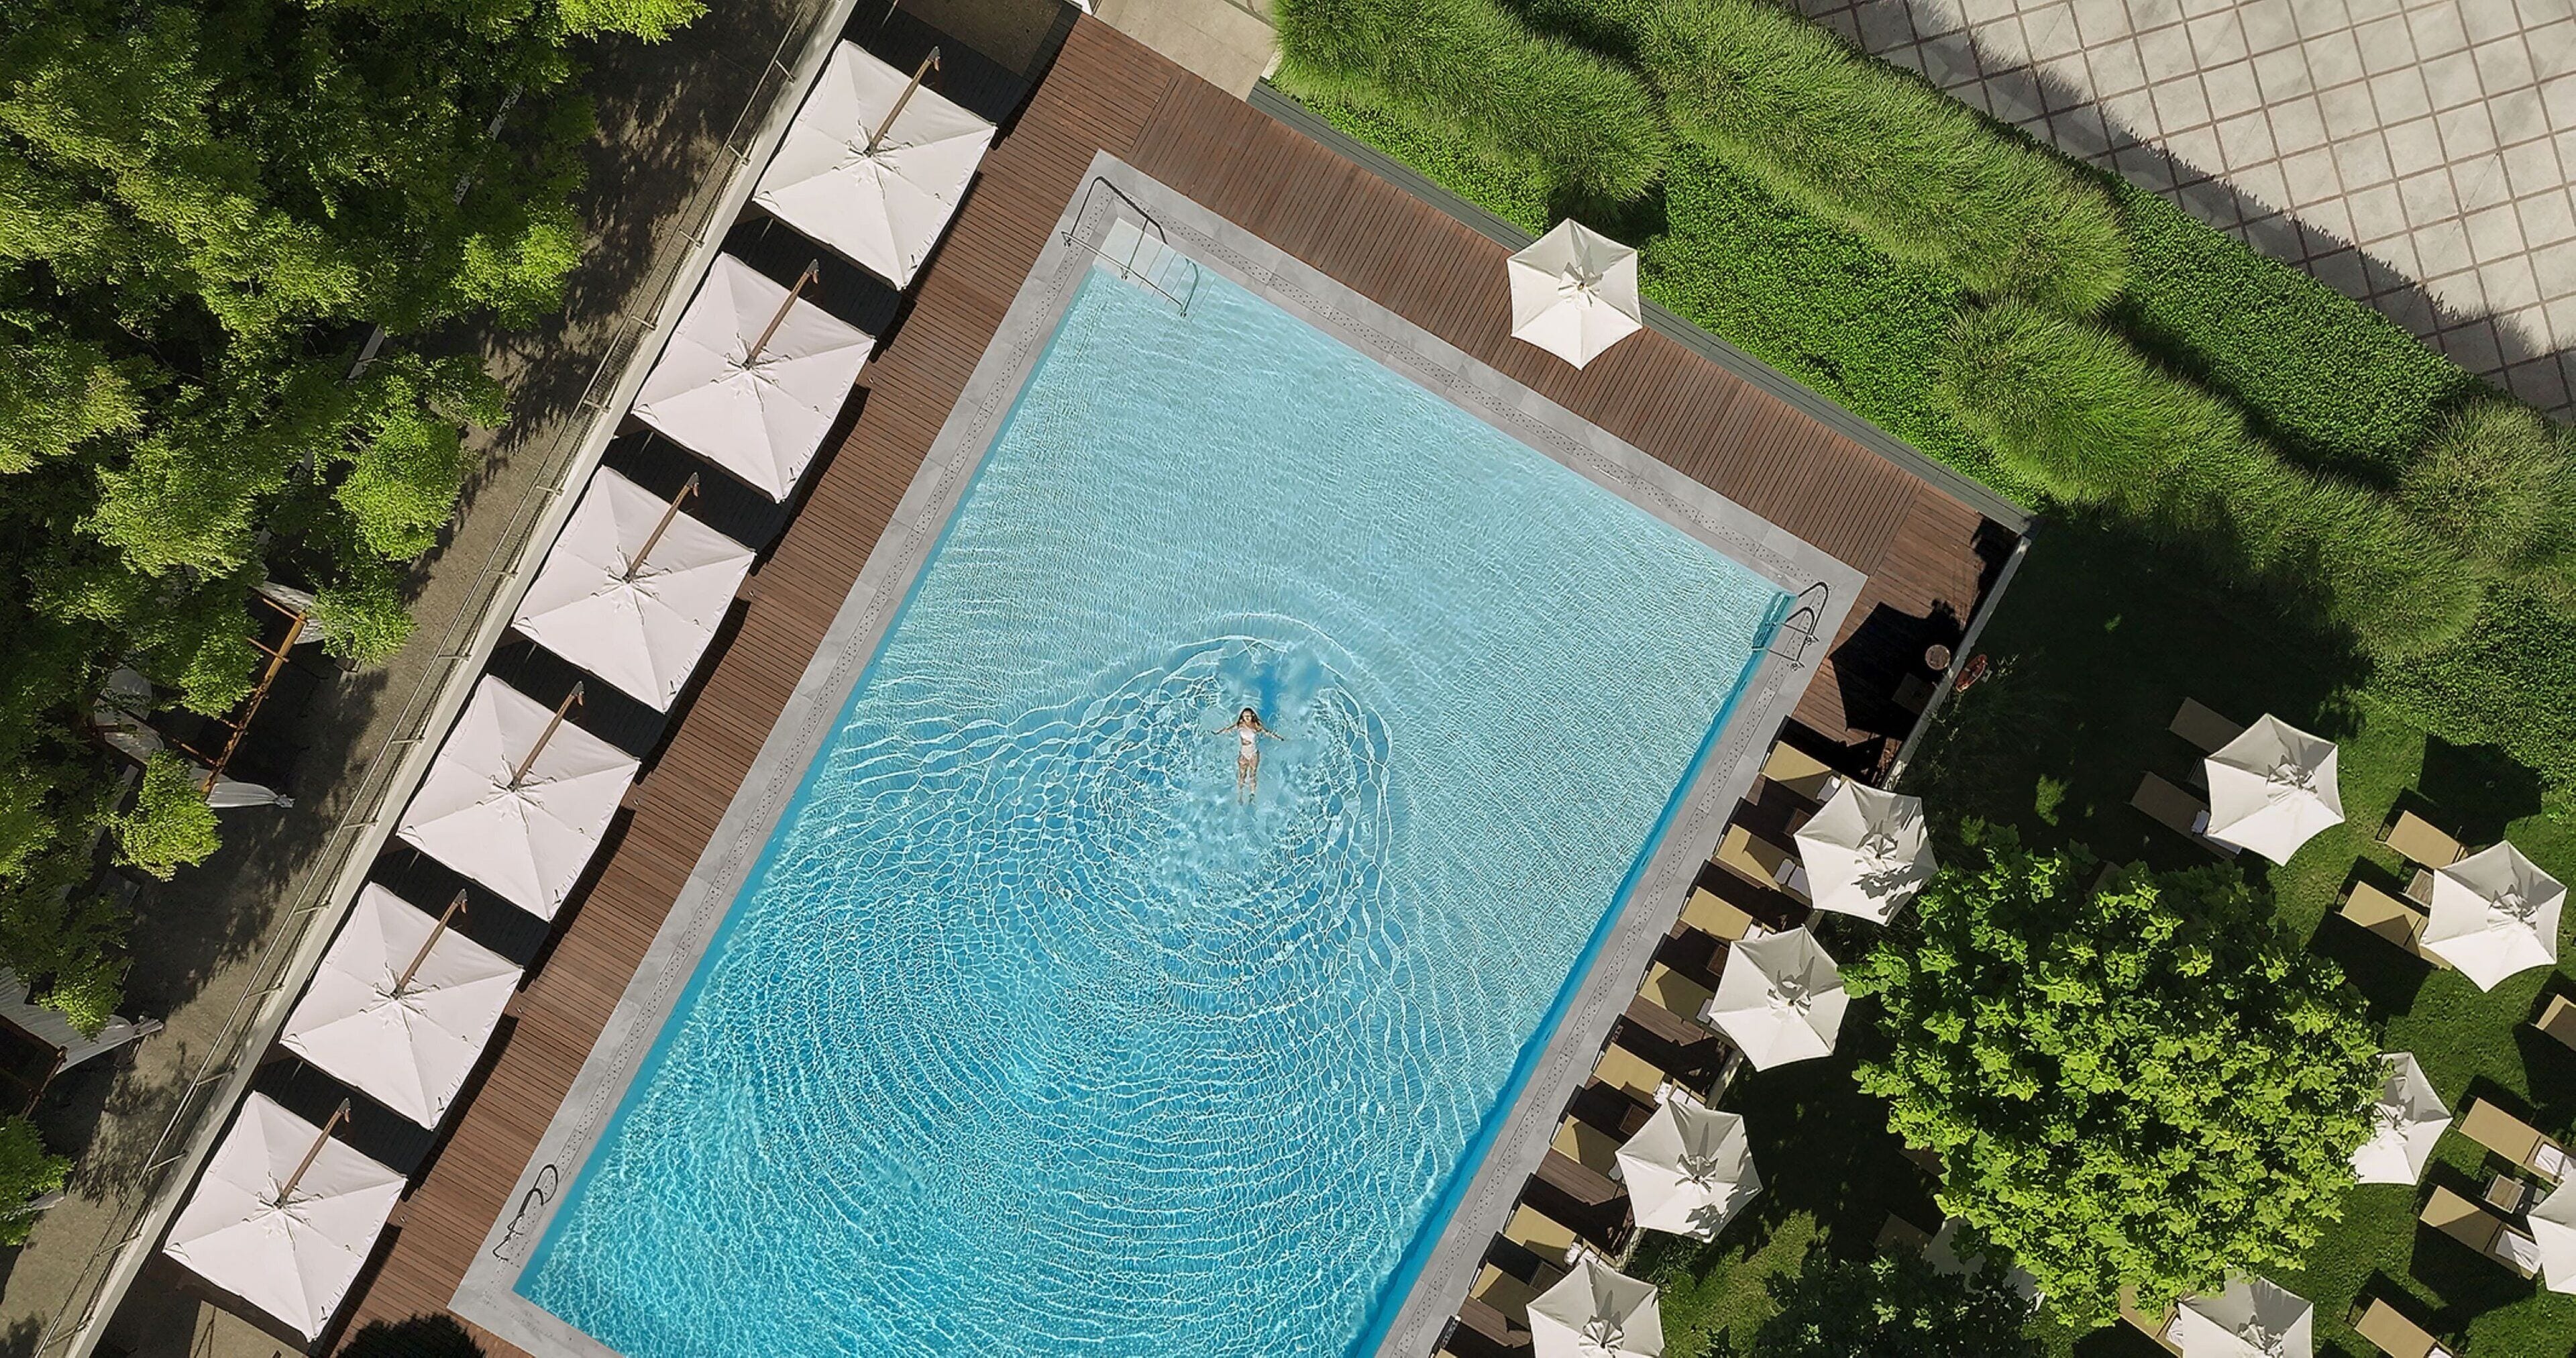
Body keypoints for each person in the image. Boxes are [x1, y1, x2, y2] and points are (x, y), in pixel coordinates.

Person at [1210, 707, 1283, 802]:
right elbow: (1228, 729)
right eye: (1245, 716)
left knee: (1252, 775)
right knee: (1242, 775)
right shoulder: (1240, 725)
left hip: (1253, 754)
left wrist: (1278, 738)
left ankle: (1252, 795)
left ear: (1252, 716)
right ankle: (1240, 795)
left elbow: (1267, 733)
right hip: (1243, 754)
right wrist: (1218, 733)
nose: (1246, 718)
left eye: (1248, 716)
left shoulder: (1256, 726)